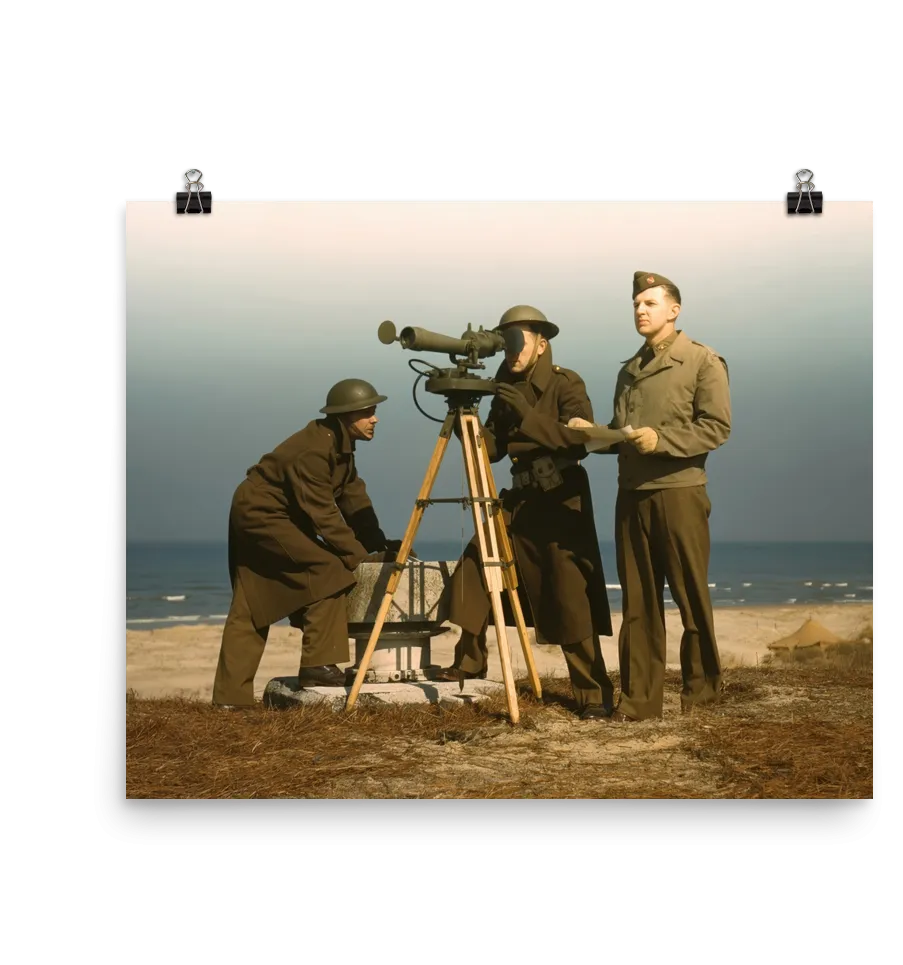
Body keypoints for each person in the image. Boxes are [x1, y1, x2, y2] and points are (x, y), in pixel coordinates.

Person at [439, 305, 616, 720]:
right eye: (506, 342)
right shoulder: (505, 384)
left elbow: (578, 442)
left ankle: (593, 695)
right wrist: (469, 422)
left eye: (518, 340)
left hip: (559, 499)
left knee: (569, 595)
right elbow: (496, 450)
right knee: (476, 565)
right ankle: (469, 661)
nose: (512, 351)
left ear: (541, 343)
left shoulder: (565, 383)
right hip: (520, 500)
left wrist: (527, 415)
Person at [570, 271, 731, 720]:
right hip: (631, 497)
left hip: (679, 495)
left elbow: (716, 427)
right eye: (636, 304)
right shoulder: (628, 371)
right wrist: (592, 436)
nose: (640, 310)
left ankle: (701, 696)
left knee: (691, 597)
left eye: (650, 303)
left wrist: (659, 440)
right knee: (638, 603)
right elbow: (626, 434)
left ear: (674, 310)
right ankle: (639, 702)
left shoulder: (701, 361)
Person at [211, 378, 405, 710]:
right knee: (329, 569)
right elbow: (323, 515)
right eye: (368, 412)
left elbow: (352, 498)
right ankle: (317, 666)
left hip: (278, 514)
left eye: (374, 410)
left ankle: (230, 701)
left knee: (249, 604)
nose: (375, 418)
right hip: (261, 513)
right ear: (346, 415)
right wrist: (361, 558)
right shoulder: (315, 450)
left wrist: (377, 544)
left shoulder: (338, 446)